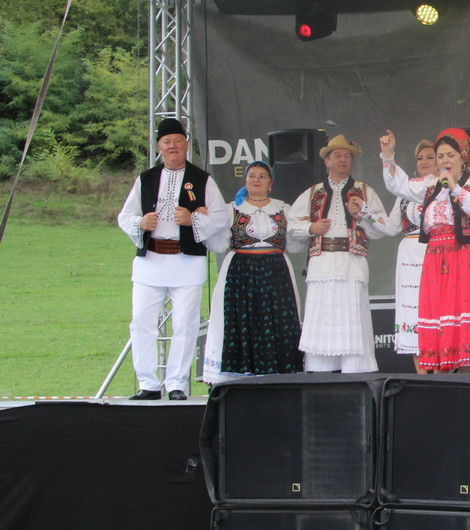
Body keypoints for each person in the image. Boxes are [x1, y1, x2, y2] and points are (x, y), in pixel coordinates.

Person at [117, 117, 230, 400]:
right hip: (151, 260)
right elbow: (125, 215)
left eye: (178, 141)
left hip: (186, 260)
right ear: (159, 147)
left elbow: (221, 218)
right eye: (167, 142)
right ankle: (148, 384)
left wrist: (193, 219)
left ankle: (176, 383)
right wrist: (140, 223)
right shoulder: (146, 179)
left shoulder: (202, 180)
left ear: (186, 145)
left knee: (186, 323)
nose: (172, 146)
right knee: (141, 321)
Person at [380, 127, 470, 372]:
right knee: (440, 317)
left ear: (463, 157)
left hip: (467, 257)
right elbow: (400, 185)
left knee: (462, 316)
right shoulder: (430, 184)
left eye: (450, 155)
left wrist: (456, 188)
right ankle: (442, 378)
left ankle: (464, 379)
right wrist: (388, 156)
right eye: (440, 156)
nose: (444, 160)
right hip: (437, 258)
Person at [287, 135, 394, 373]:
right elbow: (291, 224)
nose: (343, 160)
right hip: (322, 262)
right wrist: (311, 228)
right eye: (337, 155)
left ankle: (355, 369)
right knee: (323, 313)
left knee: (352, 313)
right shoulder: (312, 192)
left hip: (352, 261)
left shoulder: (364, 191)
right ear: (326, 161)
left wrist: (362, 217)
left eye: (347, 156)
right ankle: (321, 370)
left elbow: (382, 229)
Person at [201, 161, 306, 384]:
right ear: (245, 181)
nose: (256, 179)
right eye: (252, 176)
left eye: (262, 176)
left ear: (270, 184)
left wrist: (307, 229)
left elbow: (295, 245)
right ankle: (237, 376)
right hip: (240, 271)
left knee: (279, 320)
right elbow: (219, 244)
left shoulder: (284, 209)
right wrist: (204, 222)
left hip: (276, 271)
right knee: (240, 320)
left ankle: (279, 375)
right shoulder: (231, 209)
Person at [383, 140, 437, 368]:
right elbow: (391, 227)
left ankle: (443, 374)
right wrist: (364, 214)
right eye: (420, 158)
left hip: (435, 251)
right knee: (412, 312)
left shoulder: (444, 187)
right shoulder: (405, 191)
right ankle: (421, 374)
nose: (424, 162)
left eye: (430, 157)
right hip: (408, 255)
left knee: (435, 310)